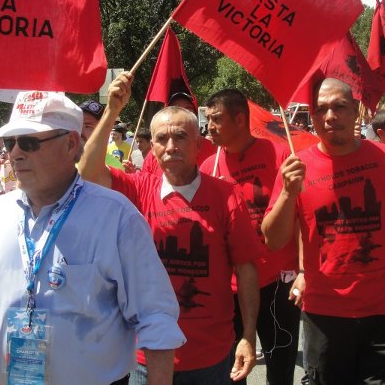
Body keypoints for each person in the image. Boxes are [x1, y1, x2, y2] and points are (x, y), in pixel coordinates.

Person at [0, 90, 184, 384]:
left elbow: (154, 317)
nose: (15, 153)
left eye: (29, 142)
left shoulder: (117, 217)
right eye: (10, 142)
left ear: (71, 143)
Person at [79, 71, 262, 384]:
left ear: (197, 144)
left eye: (180, 137)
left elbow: (246, 269)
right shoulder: (137, 188)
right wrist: (111, 110)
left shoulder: (227, 195)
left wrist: (247, 336)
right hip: (144, 352)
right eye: (161, 139)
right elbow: (86, 172)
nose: (170, 145)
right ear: (152, 147)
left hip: (211, 355)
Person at [262, 78, 385, 384]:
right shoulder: (296, 167)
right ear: (312, 117)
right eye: (321, 109)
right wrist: (289, 193)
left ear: (355, 111)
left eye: (339, 107)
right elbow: (273, 240)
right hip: (324, 314)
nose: (330, 116)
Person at [201, 89, 300, 385]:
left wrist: (304, 271)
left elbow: (300, 219)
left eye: (217, 119)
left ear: (240, 118)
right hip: (229, 288)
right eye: (207, 120)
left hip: (276, 282)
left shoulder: (280, 155)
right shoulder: (209, 167)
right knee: (232, 372)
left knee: (280, 368)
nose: (209, 127)